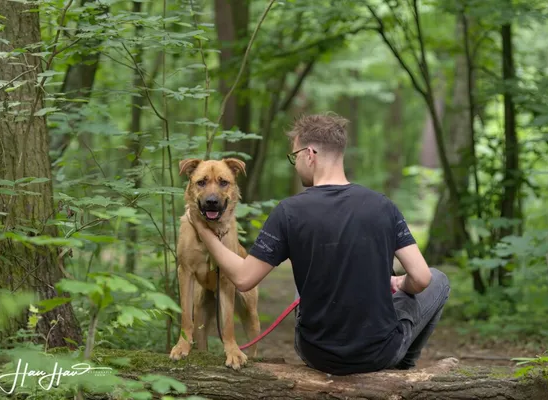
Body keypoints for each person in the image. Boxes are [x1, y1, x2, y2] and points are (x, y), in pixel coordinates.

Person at [192, 113, 450, 375]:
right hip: (379, 353)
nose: (295, 164)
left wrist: (204, 231)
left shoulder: (288, 212)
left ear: (310, 154)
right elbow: (421, 278)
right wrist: (400, 283)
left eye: (294, 157)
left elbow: (244, 278)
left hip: (316, 353)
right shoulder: (384, 206)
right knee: (438, 279)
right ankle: (402, 365)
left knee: (308, 270)